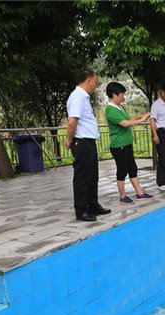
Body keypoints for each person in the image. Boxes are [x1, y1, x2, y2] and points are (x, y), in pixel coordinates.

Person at [64, 69, 111, 222]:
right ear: (89, 81)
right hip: (81, 142)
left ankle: (93, 204)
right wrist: (69, 140)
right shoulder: (77, 97)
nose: (96, 86)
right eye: (95, 82)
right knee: (82, 177)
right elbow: (72, 122)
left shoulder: (83, 97)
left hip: (88, 141)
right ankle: (81, 210)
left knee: (92, 176)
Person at [105, 82, 154, 204]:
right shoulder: (110, 110)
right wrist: (142, 120)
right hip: (119, 145)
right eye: (122, 94)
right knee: (122, 171)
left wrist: (141, 117)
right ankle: (122, 197)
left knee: (132, 169)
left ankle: (140, 194)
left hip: (126, 144)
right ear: (114, 95)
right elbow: (125, 123)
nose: (124, 97)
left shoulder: (120, 107)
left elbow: (129, 119)